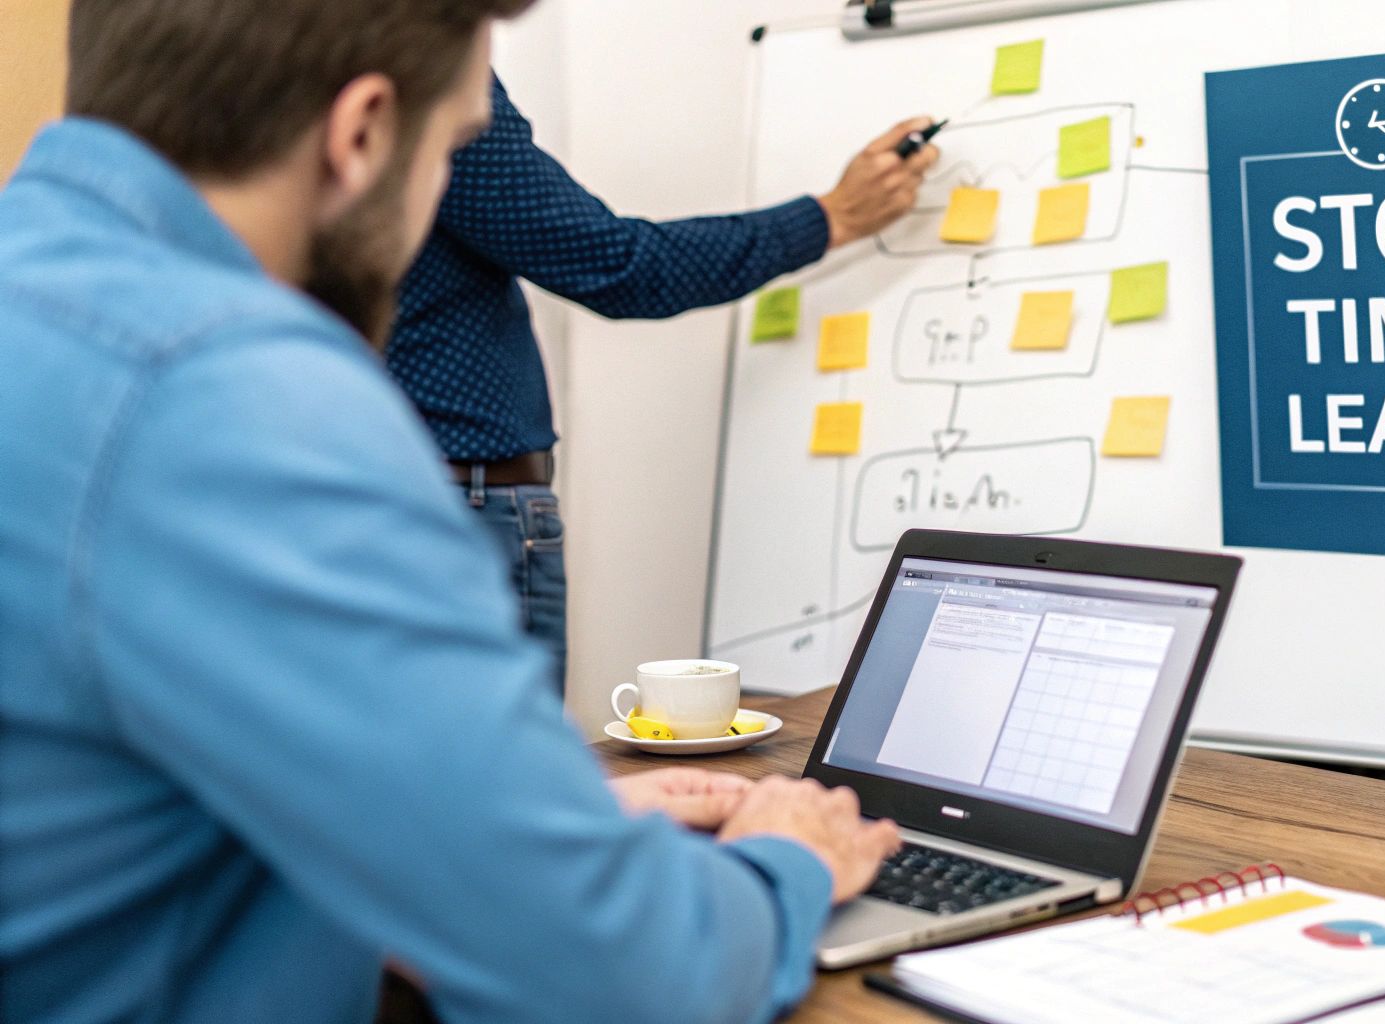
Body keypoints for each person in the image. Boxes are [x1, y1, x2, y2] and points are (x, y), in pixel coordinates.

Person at [0, 2, 898, 1021]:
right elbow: (617, 974)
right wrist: (784, 860)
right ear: (361, 134)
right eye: (456, 145)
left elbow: (112, 825)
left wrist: (500, 838)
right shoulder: (239, 397)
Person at [390, 78, 940, 691]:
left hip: (400, 494)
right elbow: (619, 266)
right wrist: (831, 217)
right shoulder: (417, 64)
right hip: (461, 504)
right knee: (494, 773)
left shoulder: (295, 62)